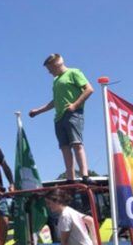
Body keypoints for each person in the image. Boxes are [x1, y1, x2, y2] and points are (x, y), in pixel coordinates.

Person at [29, 53, 94, 182]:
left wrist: (75, 105)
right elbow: (55, 101)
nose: (49, 72)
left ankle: (84, 175)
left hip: (72, 113)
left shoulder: (73, 72)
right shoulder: (56, 80)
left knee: (76, 143)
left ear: (57, 63)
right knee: (64, 147)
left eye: (50, 69)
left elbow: (89, 89)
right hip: (59, 117)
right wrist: (38, 111)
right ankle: (70, 177)